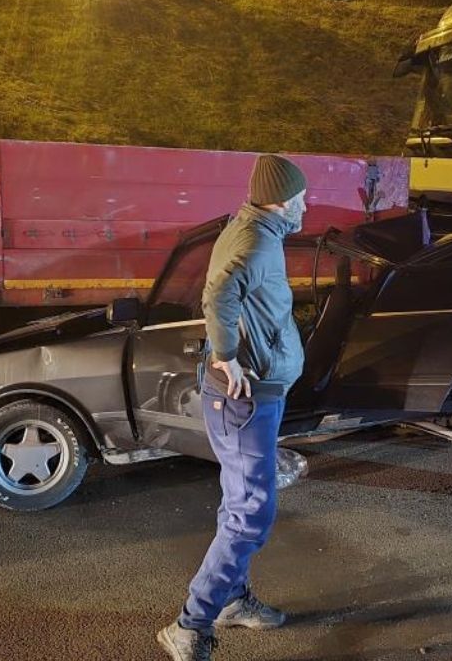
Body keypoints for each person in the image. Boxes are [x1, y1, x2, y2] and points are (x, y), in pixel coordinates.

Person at [158, 154, 309, 661]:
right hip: (244, 398)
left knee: (237, 500)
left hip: (248, 396)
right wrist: (226, 357)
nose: (307, 206)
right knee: (250, 515)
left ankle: (232, 600)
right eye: (303, 197)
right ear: (285, 200)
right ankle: (189, 625)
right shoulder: (257, 239)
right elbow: (220, 291)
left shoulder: (252, 227)